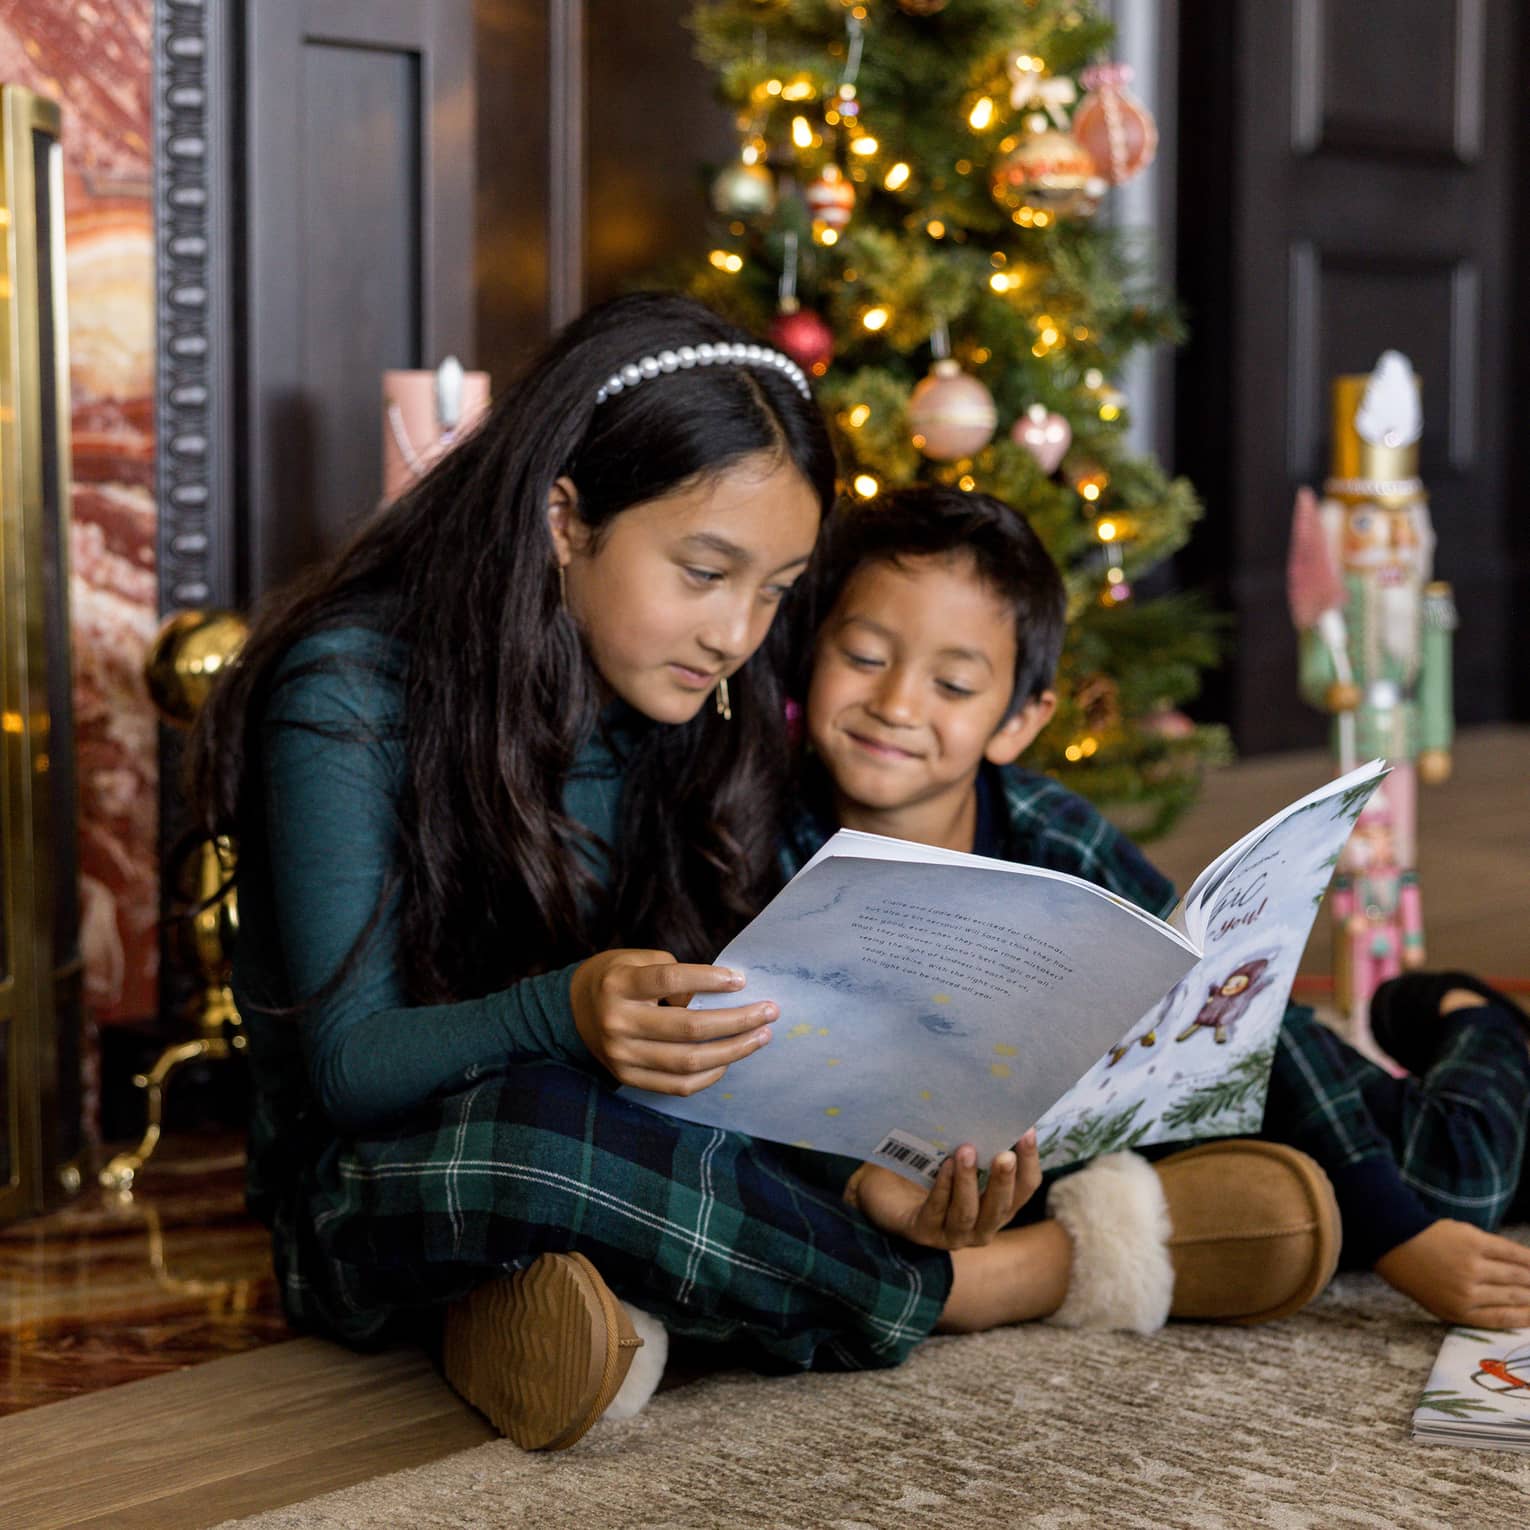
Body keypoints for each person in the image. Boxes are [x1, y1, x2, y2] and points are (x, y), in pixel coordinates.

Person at [187, 294, 1309, 1458]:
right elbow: (346, 1072)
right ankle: (996, 1285)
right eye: (706, 571)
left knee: (627, 1142)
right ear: (565, 519)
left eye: (775, 589)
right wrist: (562, 1011)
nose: (737, 631)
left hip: (630, 1142)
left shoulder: (695, 702)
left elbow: (733, 1043)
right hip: (383, 1179)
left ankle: (566, 1317)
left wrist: (863, 1176)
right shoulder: (347, 692)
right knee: (543, 1139)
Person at [786, 484, 1530, 1332]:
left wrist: (1402, 1236)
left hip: (1218, 1090)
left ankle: (1467, 1013)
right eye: (866, 656)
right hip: (1027, 1156)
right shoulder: (763, 836)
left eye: (953, 684)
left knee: (1454, 1187)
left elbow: (1236, 1000)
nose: (897, 704)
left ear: (1021, 721)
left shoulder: (1050, 830)